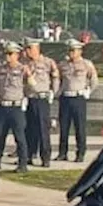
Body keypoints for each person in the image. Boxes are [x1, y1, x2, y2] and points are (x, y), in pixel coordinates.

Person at [0, 41, 34, 173]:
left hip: (16, 107)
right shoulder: (1, 69)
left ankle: (22, 164)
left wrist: (25, 97)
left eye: (10, 54)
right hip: (3, 106)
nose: (7, 57)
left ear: (17, 55)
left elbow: (31, 85)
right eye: (6, 54)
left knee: (20, 137)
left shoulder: (23, 69)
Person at [57, 40, 98, 162]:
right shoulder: (63, 64)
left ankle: (80, 153)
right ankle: (62, 152)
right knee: (64, 127)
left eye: (73, 50)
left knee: (79, 127)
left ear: (80, 51)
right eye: (69, 50)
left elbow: (94, 80)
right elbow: (58, 79)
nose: (71, 53)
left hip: (78, 98)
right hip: (65, 98)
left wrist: (88, 91)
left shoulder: (86, 64)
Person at [23, 39, 60, 168]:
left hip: (42, 98)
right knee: (29, 129)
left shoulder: (48, 62)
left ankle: (45, 157)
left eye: (29, 49)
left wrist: (53, 93)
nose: (27, 52)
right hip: (29, 99)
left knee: (42, 129)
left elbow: (55, 77)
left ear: (36, 49)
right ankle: (29, 154)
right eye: (26, 49)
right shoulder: (25, 64)